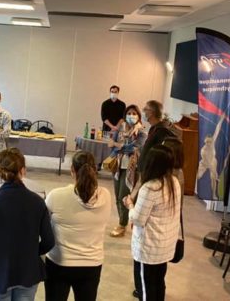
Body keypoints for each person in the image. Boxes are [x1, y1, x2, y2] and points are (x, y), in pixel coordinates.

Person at [0, 148, 55, 301]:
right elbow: (49, 242)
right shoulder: (38, 202)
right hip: (28, 271)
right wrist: (31, 252)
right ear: (23, 171)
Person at [44, 151, 111, 301]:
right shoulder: (106, 195)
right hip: (92, 264)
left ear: (72, 170)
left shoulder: (56, 196)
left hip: (59, 262)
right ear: (95, 169)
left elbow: (43, 226)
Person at [123, 145, 181, 301]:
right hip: (165, 246)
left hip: (149, 249)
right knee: (158, 282)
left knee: (146, 288)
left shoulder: (150, 188)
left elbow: (137, 219)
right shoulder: (174, 182)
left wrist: (129, 204)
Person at [109, 105, 147, 238]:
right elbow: (111, 143)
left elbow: (136, 148)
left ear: (138, 116)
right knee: (117, 197)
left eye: (134, 113)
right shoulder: (121, 128)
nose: (131, 115)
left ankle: (122, 224)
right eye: (129, 113)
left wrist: (119, 146)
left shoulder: (141, 131)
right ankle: (123, 222)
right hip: (118, 166)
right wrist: (119, 147)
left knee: (123, 197)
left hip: (131, 168)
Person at [138, 100, 180, 173]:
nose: (143, 111)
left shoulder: (162, 131)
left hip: (152, 172)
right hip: (146, 170)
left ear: (151, 113)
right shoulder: (154, 128)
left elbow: (160, 156)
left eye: (145, 109)